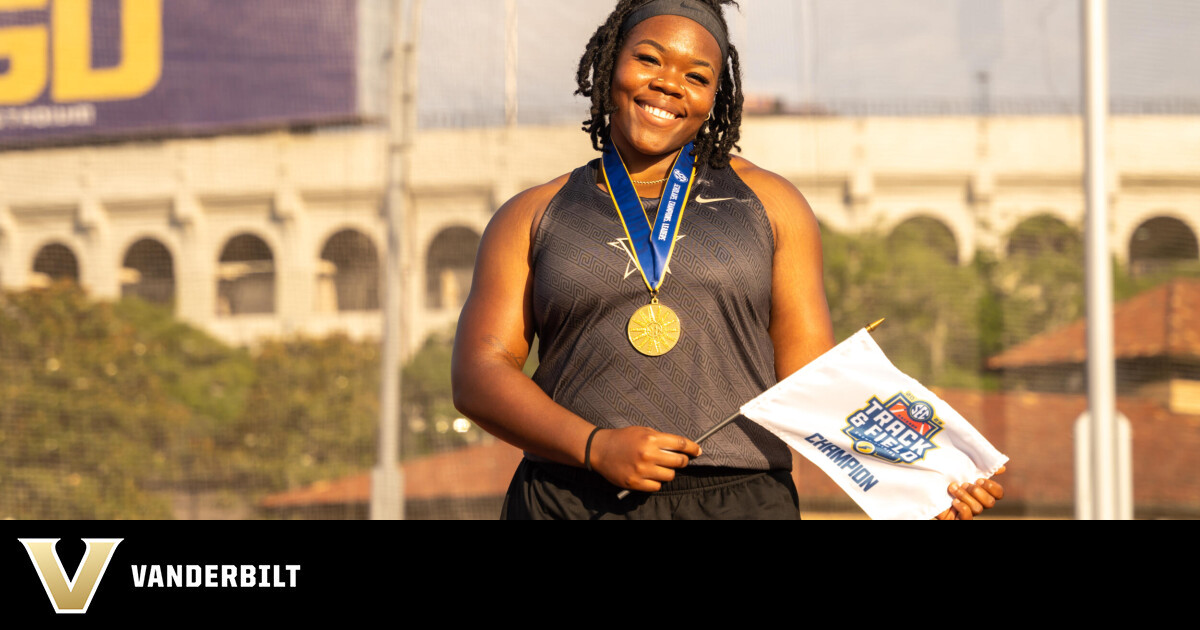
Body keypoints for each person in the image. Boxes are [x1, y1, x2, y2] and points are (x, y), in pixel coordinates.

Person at [451, 0, 1004, 519]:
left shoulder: (773, 203)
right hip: (569, 495)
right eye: (648, 59)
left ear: (718, 95)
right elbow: (479, 371)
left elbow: (812, 374)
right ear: (608, 64)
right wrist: (593, 446)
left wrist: (928, 475)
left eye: (697, 76)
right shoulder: (531, 213)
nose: (669, 84)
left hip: (740, 499)